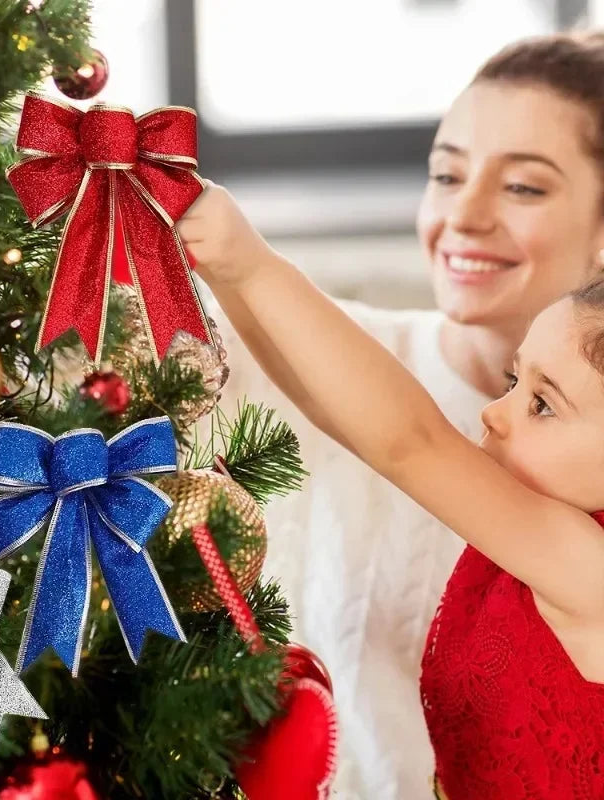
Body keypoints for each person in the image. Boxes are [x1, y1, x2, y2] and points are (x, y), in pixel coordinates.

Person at [183, 32, 604, 799]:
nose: (492, 415)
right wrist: (232, 275)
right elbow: (345, 415)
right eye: (445, 173)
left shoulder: (584, 561)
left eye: (541, 401)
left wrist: (251, 261)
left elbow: (409, 442)